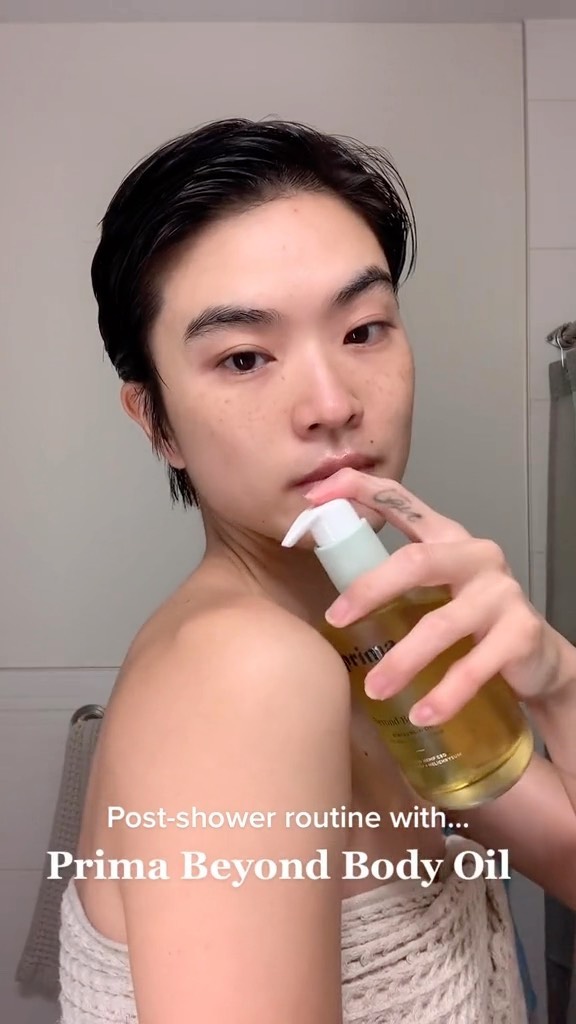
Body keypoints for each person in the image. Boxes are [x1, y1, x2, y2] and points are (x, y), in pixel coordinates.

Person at [58, 118, 576, 1024]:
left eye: (363, 330)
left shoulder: (377, 640)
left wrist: (555, 675)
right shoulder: (246, 672)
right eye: (244, 358)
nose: (332, 404)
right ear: (156, 421)